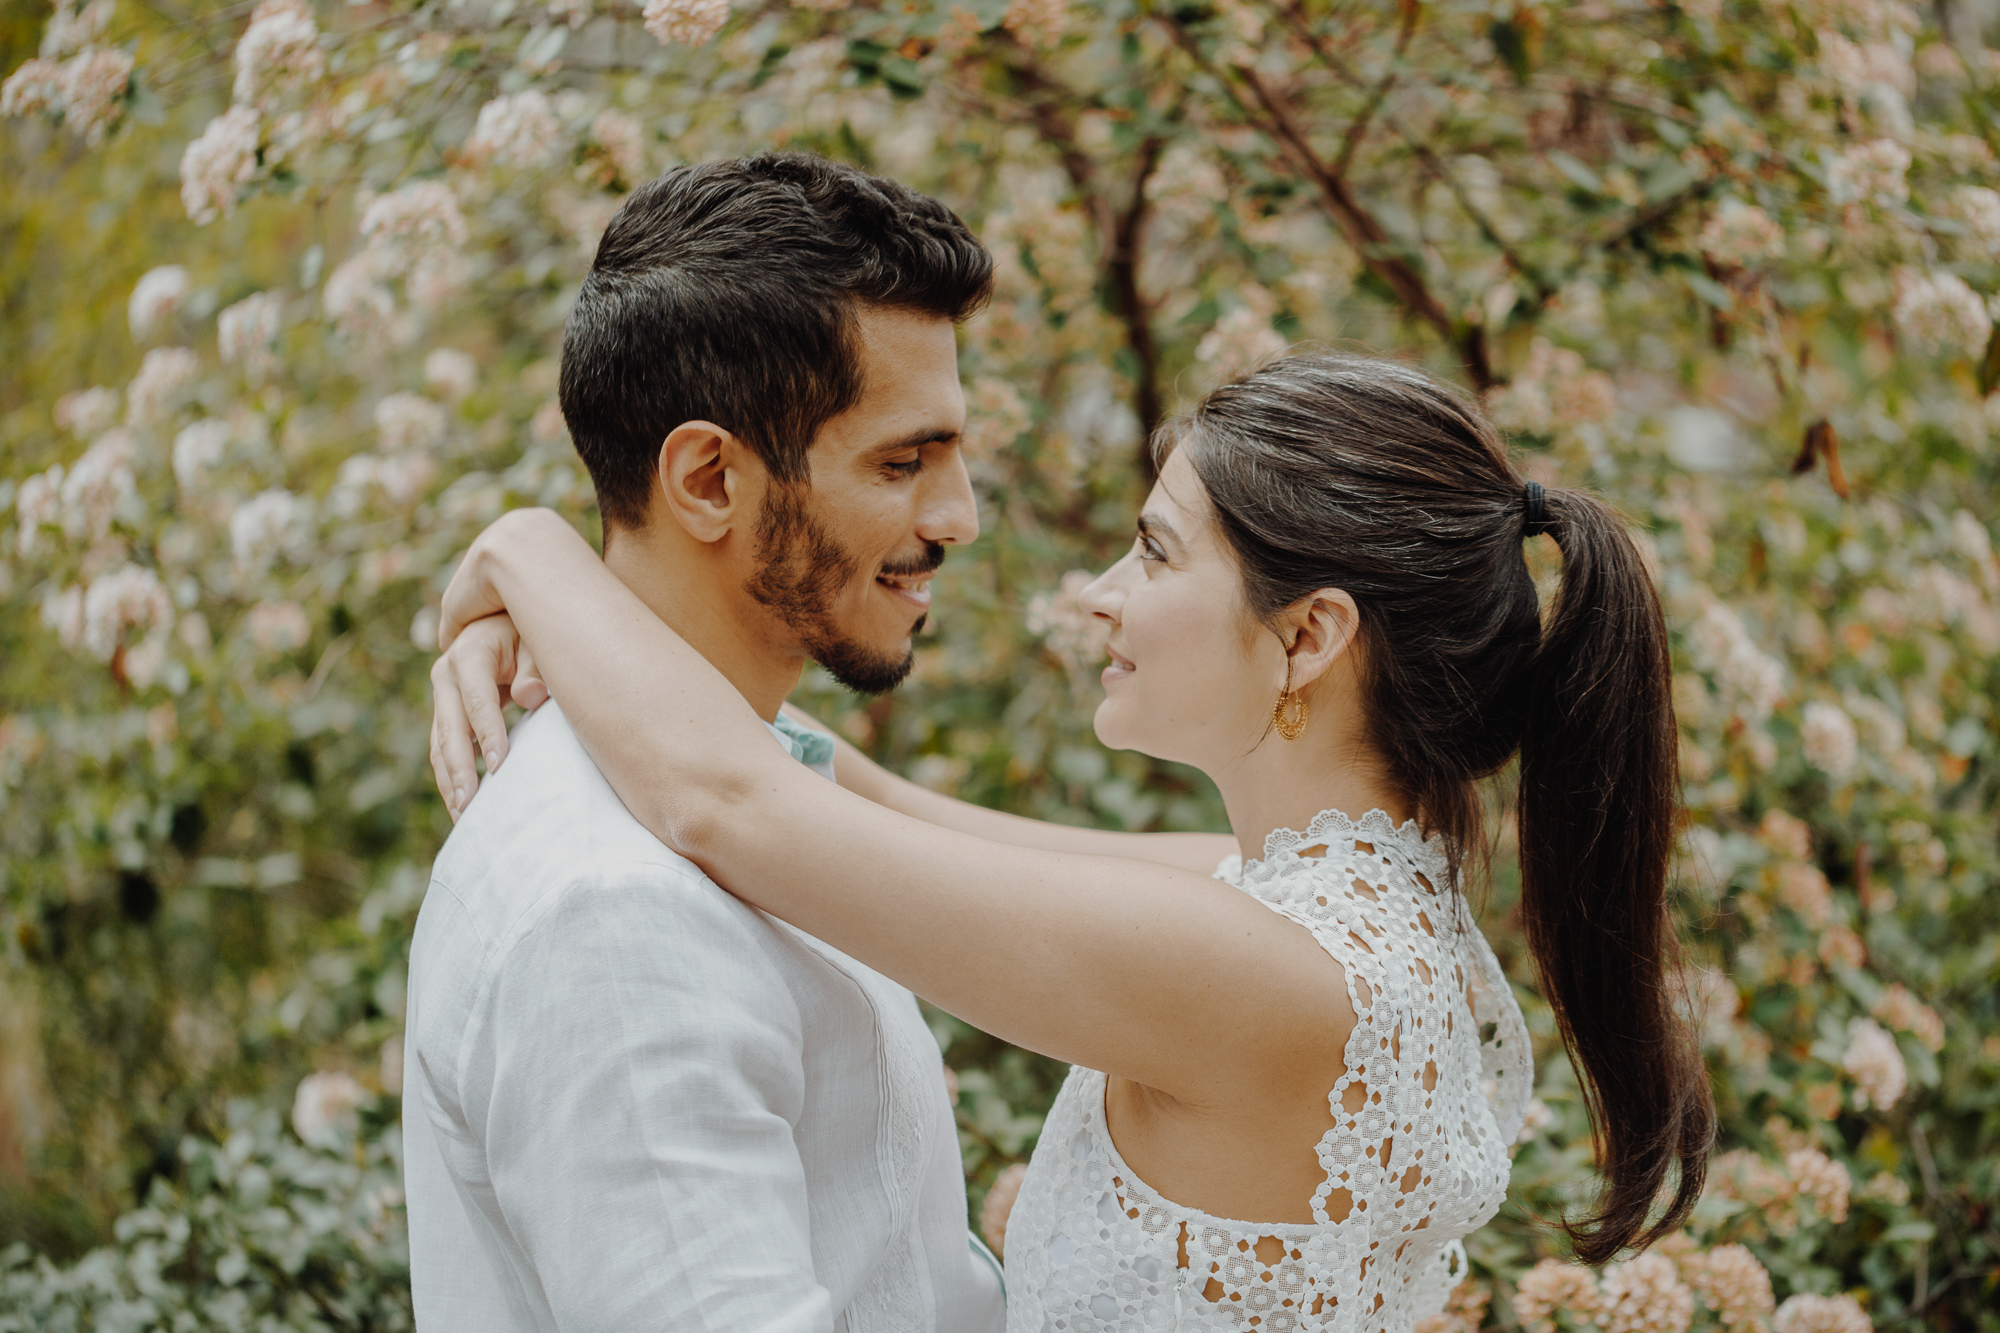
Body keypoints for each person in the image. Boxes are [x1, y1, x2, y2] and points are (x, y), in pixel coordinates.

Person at [431, 351, 1718, 1331]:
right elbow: (862, 805)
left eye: (1154, 553)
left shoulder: (1254, 969)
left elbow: (733, 810)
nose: (1101, 591)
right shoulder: (1334, 917)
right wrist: (587, 640)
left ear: (1310, 636)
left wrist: (528, 549)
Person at [400, 152, 1024, 1333]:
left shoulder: (761, 768)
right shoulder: (615, 917)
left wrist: (530, 552)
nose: (958, 518)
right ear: (705, 479)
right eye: (903, 462)